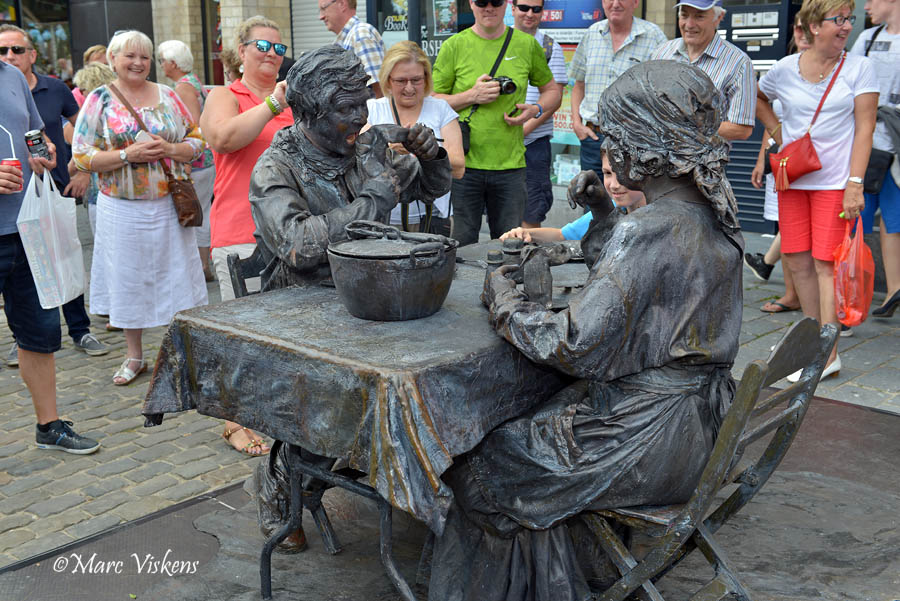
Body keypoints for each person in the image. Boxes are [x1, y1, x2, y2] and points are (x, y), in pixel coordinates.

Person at [428, 60, 743, 601]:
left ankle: (538, 586)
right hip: (699, 428)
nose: (609, 151)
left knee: (476, 459)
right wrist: (602, 217)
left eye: (614, 137)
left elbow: (569, 343)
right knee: (528, 425)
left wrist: (503, 298)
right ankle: (567, 563)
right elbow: (646, 288)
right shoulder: (714, 207)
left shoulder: (652, 227)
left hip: (650, 441)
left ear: (644, 145)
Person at [248, 45, 452, 552]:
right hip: (304, 306)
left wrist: (430, 156)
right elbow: (299, 246)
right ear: (309, 113)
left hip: (373, 293)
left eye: (363, 102)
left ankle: (417, 462)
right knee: (355, 390)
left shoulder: (367, 144)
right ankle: (283, 482)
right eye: (346, 109)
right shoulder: (276, 167)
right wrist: (378, 196)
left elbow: (436, 187)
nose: (360, 117)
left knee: (444, 357)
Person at [71, 30, 208, 386]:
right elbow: (81, 154)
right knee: (127, 278)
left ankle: (180, 354)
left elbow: (198, 140)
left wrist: (171, 149)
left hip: (168, 205)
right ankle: (134, 356)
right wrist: (125, 155)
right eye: (129, 56)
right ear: (113, 59)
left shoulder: (168, 96)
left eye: (144, 57)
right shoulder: (99, 100)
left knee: (176, 276)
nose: (137, 62)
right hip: (122, 208)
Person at [757, 0, 878, 381]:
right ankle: (811, 343)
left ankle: (828, 354)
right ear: (812, 26)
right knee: (796, 260)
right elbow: (758, 97)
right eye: (837, 19)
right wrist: (779, 134)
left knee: (827, 265)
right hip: (792, 179)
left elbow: (865, 129)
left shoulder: (860, 67)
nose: (845, 26)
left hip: (834, 183)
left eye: (849, 19)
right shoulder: (784, 69)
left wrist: (854, 184)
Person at [199, 15, 293, 455]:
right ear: (241, 51)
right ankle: (234, 419)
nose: (272, 54)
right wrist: (272, 106)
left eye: (278, 47)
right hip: (240, 228)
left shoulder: (291, 100)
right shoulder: (225, 94)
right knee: (243, 329)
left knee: (286, 327)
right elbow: (221, 138)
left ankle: (275, 408)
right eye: (263, 45)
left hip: (290, 228)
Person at [0, 58, 100, 454]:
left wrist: (44, 153)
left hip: (27, 228)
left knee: (38, 334)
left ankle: (49, 426)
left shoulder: (10, 75)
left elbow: (32, 130)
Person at [0, 24, 109, 365]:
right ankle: (21, 340)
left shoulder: (49, 87)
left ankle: (79, 329)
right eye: (3, 50)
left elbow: (84, 133)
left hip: (49, 195)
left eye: (16, 50)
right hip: (16, 207)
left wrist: (81, 169)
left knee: (64, 261)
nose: (9, 56)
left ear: (31, 54)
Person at [432, 0, 561, 246]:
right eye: (482, 1)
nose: (489, 7)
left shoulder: (526, 44)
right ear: (471, 3)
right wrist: (472, 96)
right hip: (464, 166)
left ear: (507, 5)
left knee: (509, 246)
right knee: (462, 246)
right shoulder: (454, 45)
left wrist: (535, 109)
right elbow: (432, 101)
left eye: (496, 1)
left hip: (510, 166)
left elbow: (552, 91)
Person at [364, 40, 464, 236]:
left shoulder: (441, 109)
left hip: (431, 219)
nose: (409, 88)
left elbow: (459, 168)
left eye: (416, 80)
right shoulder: (372, 110)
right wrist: (388, 150)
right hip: (382, 221)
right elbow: (359, 158)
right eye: (401, 81)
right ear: (388, 80)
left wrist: (426, 152)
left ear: (426, 79)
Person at [745, 17, 808, 315]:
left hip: (817, 164)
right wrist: (762, 160)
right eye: (802, 32)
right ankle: (791, 291)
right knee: (789, 226)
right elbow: (767, 117)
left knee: (802, 233)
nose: (807, 38)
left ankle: (771, 267)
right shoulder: (783, 70)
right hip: (786, 160)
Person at [569, 0, 667, 173]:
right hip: (592, 139)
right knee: (591, 196)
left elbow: (664, 93)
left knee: (630, 199)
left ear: (635, 2)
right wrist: (577, 124)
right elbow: (579, 84)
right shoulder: (592, 34)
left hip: (634, 142)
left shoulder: (653, 36)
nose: (615, 4)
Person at [850, 0, 900, 318]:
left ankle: (894, 291)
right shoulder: (866, 39)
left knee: (894, 223)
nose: (866, 5)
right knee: (859, 222)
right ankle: (854, 297)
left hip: (896, 149)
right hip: (868, 145)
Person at [652, 0, 756, 141]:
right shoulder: (662, 53)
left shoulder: (738, 63)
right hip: (657, 158)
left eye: (699, 16)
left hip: (705, 161)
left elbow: (742, 129)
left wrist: (686, 126)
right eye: (684, 15)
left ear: (718, 18)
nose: (689, 24)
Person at [158, 39, 216, 281]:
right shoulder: (193, 81)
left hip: (198, 161)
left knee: (197, 212)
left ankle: (202, 266)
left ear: (172, 63)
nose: (161, 66)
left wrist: (187, 158)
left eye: (162, 61)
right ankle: (203, 264)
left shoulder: (183, 87)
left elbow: (192, 124)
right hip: (205, 160)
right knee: (203, 210)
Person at [501, 148, 647, 243]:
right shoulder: (612, 209)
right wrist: (524, 233)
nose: (614, 184)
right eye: (608, 173)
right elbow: (561, 235)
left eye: (624, 174)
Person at [513, 0, 568, 229]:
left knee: (532, 212)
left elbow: (555, 99)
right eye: (524, 7)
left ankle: (527, 262)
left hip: (533, 143)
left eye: (536, 9)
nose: (530, 14)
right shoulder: (499, 42)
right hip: (498, 144)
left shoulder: (549, 46)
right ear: (512, 8)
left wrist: (524, 129)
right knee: (502, 211)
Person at [69, 62, 116, 236]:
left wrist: (62, 177)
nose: (81, 93)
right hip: (121, 190)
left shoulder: (93, 112)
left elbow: (80, 152)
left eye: (82, 89)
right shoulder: (121, 109)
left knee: (104, 243)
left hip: (101, 191)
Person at [318, 0, 385, 97]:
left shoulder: (360, 34)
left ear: (342, 4)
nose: (321, 17)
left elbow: (379, 90)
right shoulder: (349, 39)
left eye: (324, 8)